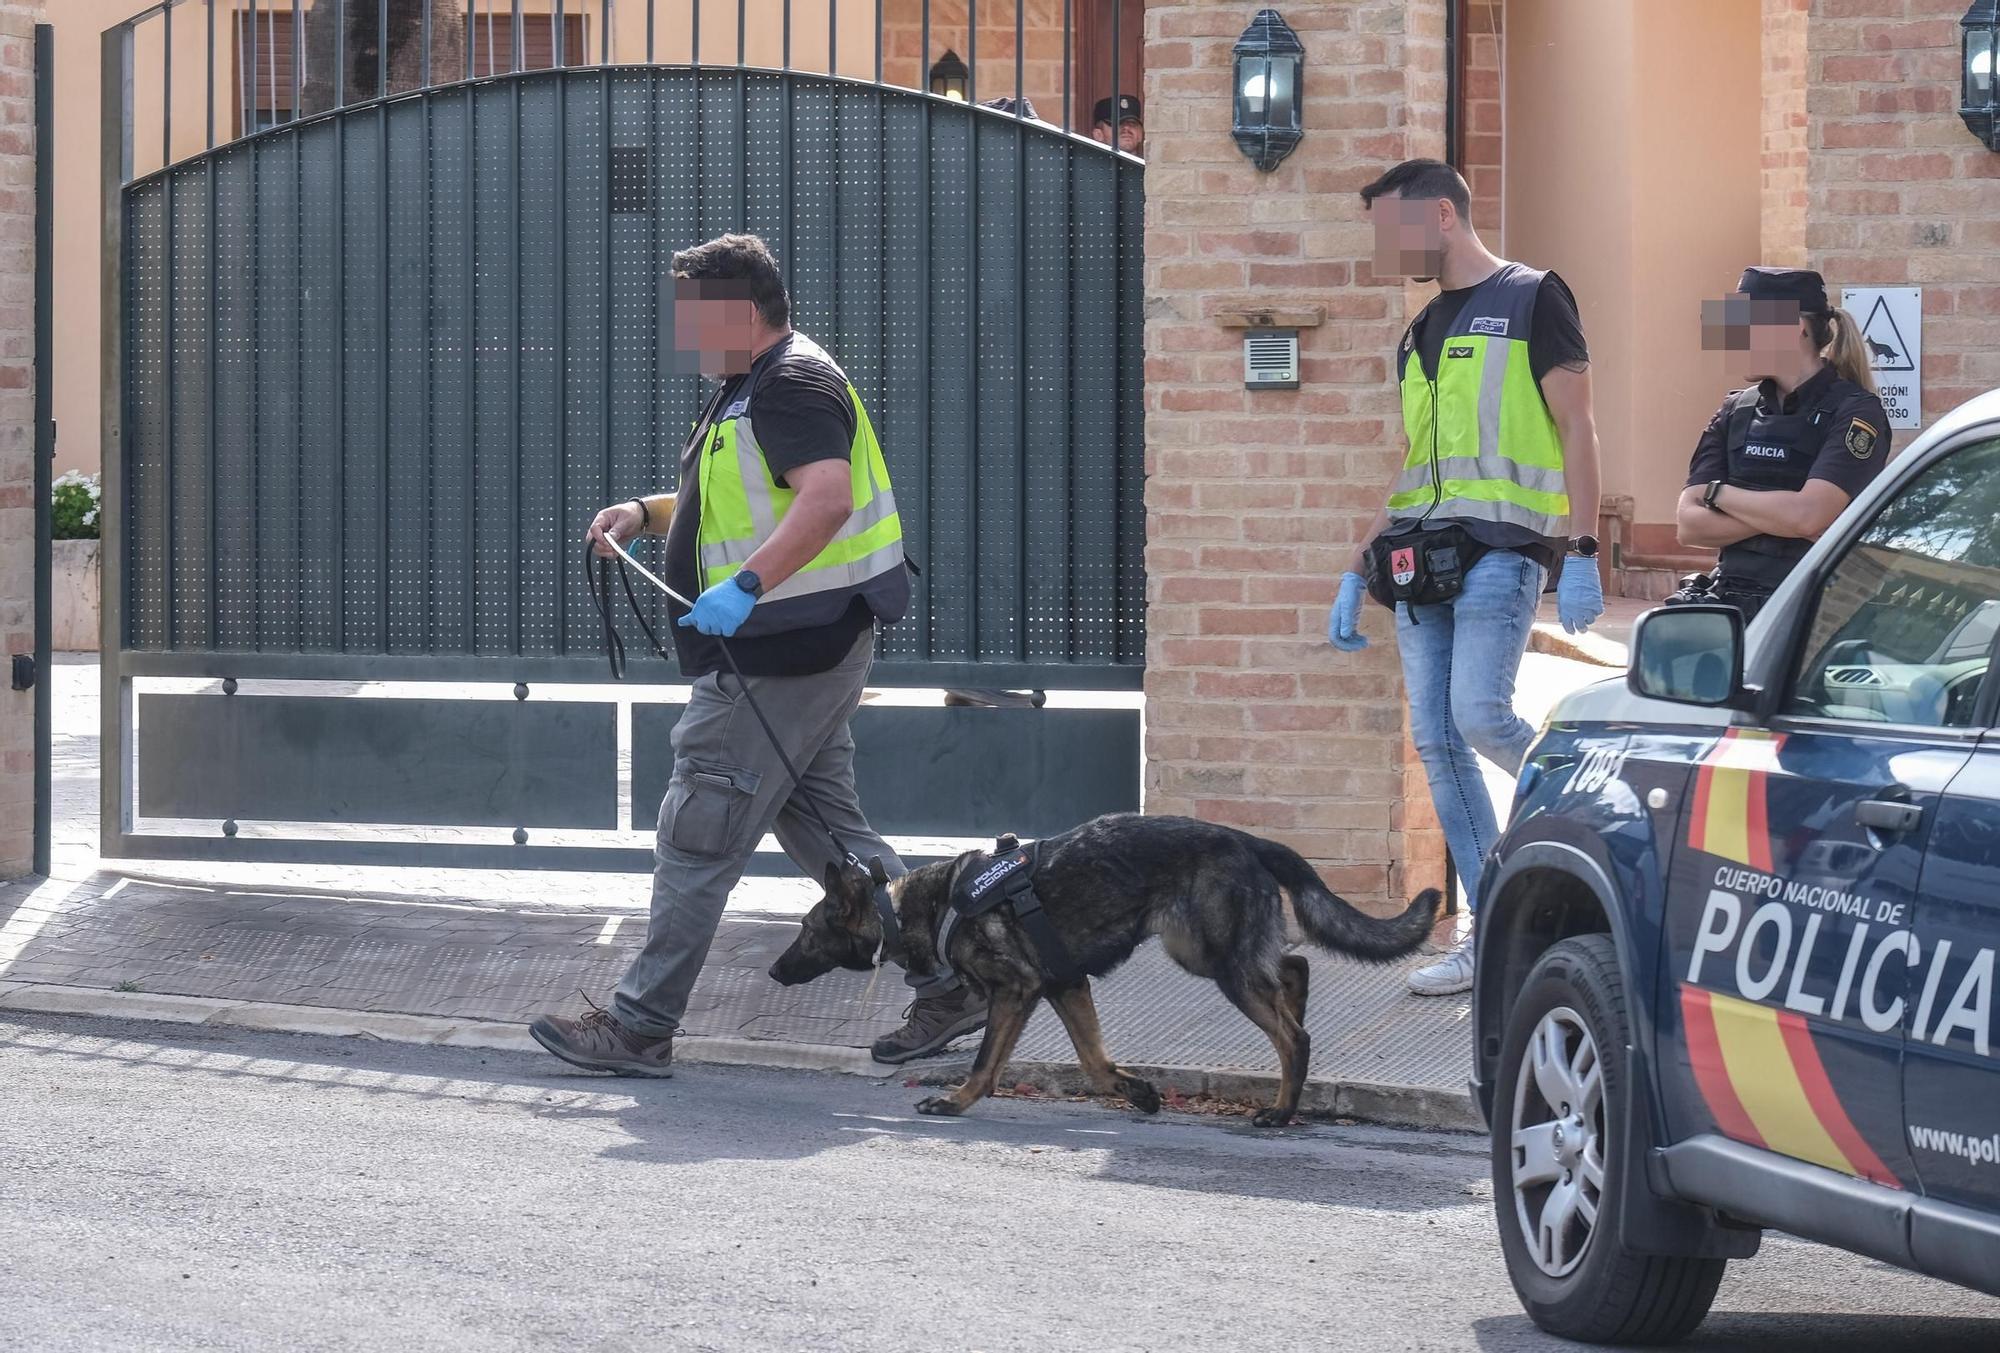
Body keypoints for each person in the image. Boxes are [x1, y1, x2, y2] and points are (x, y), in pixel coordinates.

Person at [529, 234, 989, 1073]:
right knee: (834, 838)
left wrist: (744, 585)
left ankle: (639, 1024)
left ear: (740, 314)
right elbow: (738, 501)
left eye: (693, 316)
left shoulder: (792, 385)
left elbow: (825, 499)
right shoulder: (755, 386)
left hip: (777, 654)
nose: (683, 334)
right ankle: (956, 981)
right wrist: (643, 511)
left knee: (699, 830)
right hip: (803, 647)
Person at [1327, 159, 1605, 997]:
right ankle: (1491, 935)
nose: (1384, 247)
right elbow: (1418, 463)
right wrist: (1354, 566)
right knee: (1439, 742)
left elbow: (1578, 426)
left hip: (1502, 551)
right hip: (1419, 563)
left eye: (1391, 228)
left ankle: (1593, 799)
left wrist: (1585, 552)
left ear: (1442, 215)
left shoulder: (1533, 297)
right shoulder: (1417, 332)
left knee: (1480, 716)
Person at [1672, 267, 1890, 621]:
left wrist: (1718, 495)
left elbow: (1809, 516)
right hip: (1731, 607)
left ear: (1795, 328)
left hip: (1810, 612)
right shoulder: (1735, 409)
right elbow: (1689, 525)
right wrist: (1785, 515)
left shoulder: (1855, 411)